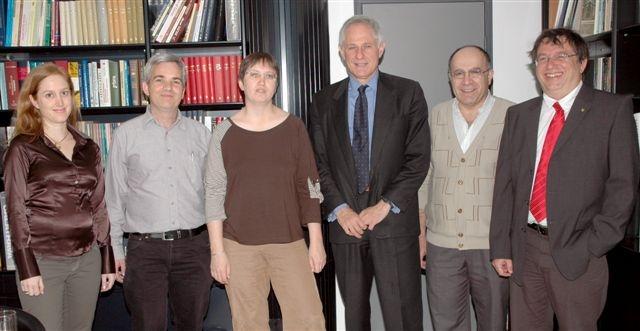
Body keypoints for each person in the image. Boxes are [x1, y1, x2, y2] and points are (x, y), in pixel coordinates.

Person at [490, 28, 639, 330]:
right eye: (542, 58)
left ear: (583, 62)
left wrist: (592, 245)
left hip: (578, 254)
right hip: (525, 250)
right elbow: (505, 184)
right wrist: (501, 247)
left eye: (561, 56)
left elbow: (623, 188)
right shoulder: (520, 115)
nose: (550, 65)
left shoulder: (611, 110)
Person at [309, 15, 430, 330]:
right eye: (352, 47)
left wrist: (385, 204)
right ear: (341, 52)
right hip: (346, 230)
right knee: (355, 319)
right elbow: (317, 163)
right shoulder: (323, 101)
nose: (359, 54)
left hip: (393, 225)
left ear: (381, 48)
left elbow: (418, 158)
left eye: (366, 46)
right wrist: (339, 209)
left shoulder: (408, 93)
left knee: (402, 318)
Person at [205, 52, 326, 331]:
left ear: (276, 83)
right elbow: (213, 193)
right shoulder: (222, 133)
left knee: (309, 321)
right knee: (248, 324)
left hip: (290, 241)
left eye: (269, 76)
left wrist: (316, 241)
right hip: (238, 246)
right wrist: (217, 252)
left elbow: (309, 186)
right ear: (241, 83)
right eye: (254, 75)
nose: (262, 82)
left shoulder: (294, 128)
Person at [3, 62, 116, 331]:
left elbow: (99, 207)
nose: (59, 101)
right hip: (43, 262)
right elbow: (15, 211)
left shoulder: (89, 147)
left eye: (64, 93)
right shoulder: (22, 148)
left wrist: (107, 259)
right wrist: (27, 266)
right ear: (34, 101)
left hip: (87, 261)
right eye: (49, 94)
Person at [105, 51, 212, 330]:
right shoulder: (125, 135)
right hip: (145, 250)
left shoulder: (202, 135)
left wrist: (218, 247)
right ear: (145, 87)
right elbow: (115, 198)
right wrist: (115, 250)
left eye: (176, 81)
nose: (168, 88)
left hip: (194, 249)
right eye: (160, 80)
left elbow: (214, 195)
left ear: (184, 90)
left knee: (192, 325)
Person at [418, 45, 511, 331]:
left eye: (475, 72)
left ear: (490, 75)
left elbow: (520, 186)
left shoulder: (513, 115)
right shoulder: (437, 115)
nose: (466, 80)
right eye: (458, 73)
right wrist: (420, 234)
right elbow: (425, 177)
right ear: (450, 78)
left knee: (494, 323)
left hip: (491, 247)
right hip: (441, 246)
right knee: (445, 324)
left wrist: (510, 245)